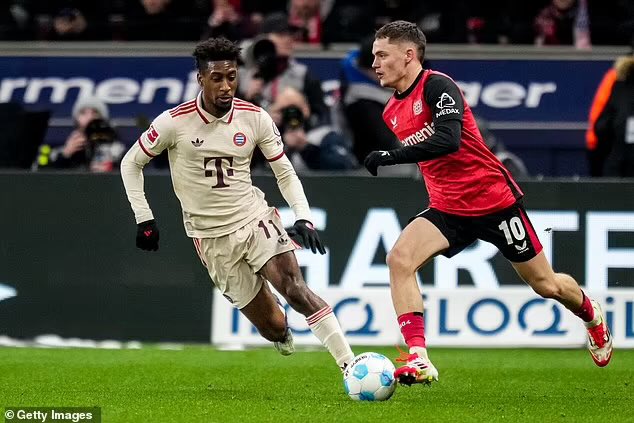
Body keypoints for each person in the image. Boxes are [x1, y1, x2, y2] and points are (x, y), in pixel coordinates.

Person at [363, 21, 613, 386]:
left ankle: (591, 315)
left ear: (409, 55)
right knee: (399, 259)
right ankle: (418, 358)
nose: (376, 63)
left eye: (382, 55)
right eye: (374, 56)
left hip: (494, 202)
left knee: (546, 285)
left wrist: (391, 156)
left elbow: (449, 140)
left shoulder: (437, 86)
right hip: (448, 208)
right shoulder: (391, 111)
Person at [120, 37, 354, 372]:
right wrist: (145, 219)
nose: (226, 86)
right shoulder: (174, 122)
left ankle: (350, 365)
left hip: (254, 218)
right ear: (201, 79)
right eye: (217, 78)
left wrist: (303, 217)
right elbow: (130, 163)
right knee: (273, 326)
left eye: (232, 77)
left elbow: (284, 171)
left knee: (295, 289)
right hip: (210, 236)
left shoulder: (254, 118)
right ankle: (277, 325)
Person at [36, 95, 124, 171]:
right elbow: (42, 174)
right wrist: (65, 155)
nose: (89, 117)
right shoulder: (63, 149)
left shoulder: (117, 149)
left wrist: (112, 168)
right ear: (76, 119)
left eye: (95, 113)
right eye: (83, 113)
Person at [594, 52, 634, 176]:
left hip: (619, 161)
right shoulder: (618, 86)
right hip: (620, 163)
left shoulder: (619, 86)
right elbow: (601, 127)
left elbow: (601, 127)